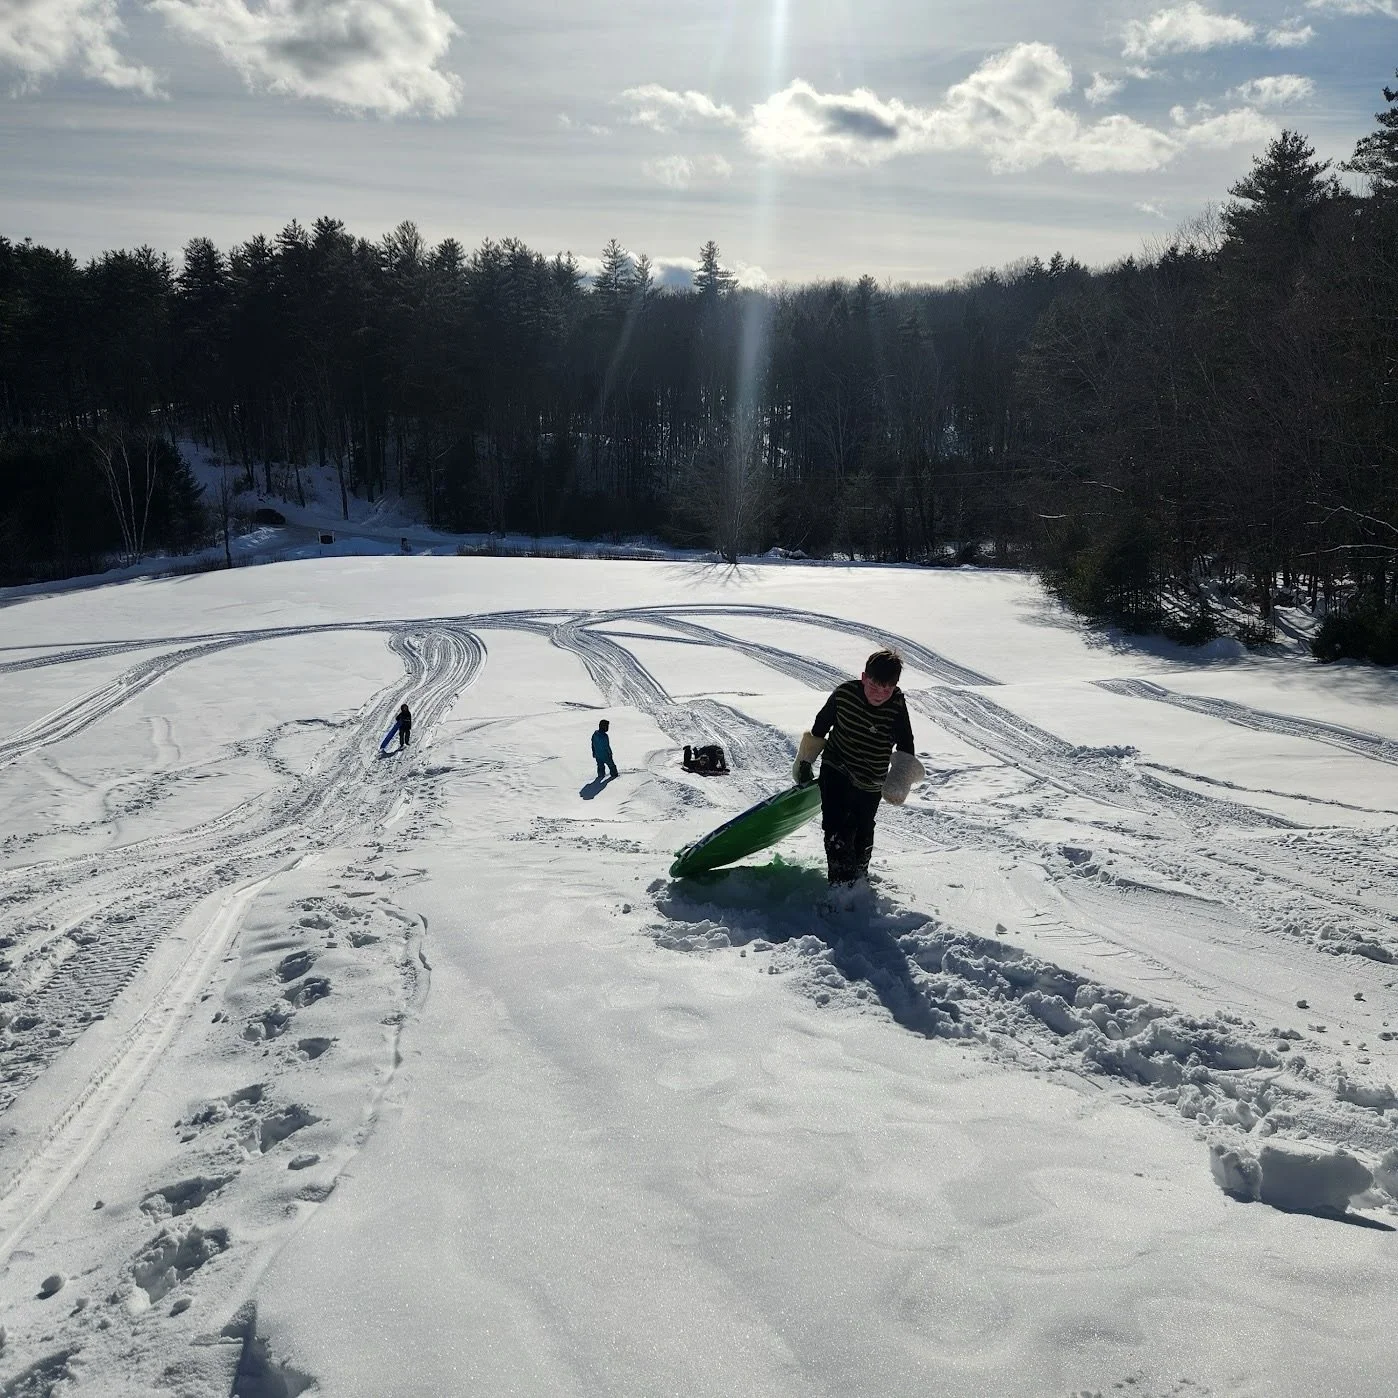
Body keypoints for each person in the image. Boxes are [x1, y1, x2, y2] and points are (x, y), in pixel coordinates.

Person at [793, 649, 924, 887]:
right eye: (874, 686)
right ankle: (840, 887)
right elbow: (821, 725)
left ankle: (859, 879)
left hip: (872, 778)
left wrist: (898, 781)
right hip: (836, 766)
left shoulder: (896, 707)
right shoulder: (845, 694)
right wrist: (805, 761)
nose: (879, 694)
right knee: (835, 825)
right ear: (864, 678)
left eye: (887, 689)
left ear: (894, 687)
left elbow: (906, 744)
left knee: (863, 829)